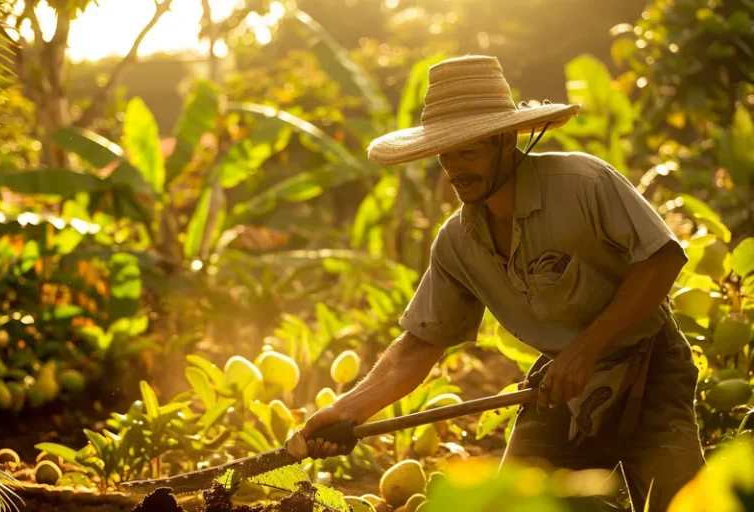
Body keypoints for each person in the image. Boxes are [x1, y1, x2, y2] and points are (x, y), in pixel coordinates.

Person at [290, 55, 706, 511]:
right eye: (446, 154)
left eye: (468, 152)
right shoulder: (456, 242)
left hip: (649, 365)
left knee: (681, 503)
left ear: (507, 141)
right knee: (511, 505)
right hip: (559, 388)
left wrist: (586, 349)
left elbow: (663, 260)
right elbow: (419, 344)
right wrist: (348, 410)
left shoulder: (583, 183)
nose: (455, 169)